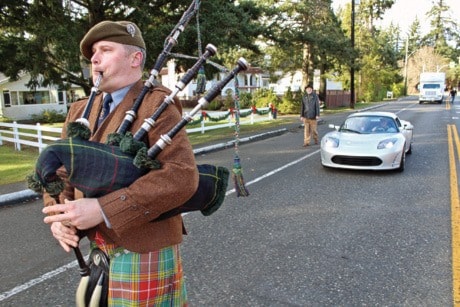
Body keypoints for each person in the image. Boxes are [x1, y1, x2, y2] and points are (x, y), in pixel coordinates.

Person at [41, 21, 199, 305]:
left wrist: (103, 209)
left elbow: (181, 177)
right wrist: (60, 215)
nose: (94, 58)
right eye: (92, 53)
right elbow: (61, 173)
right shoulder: (80, 110)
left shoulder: (155, 103)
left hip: (144, 247)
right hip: (99, 249)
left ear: (134, 58)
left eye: (105, 49)